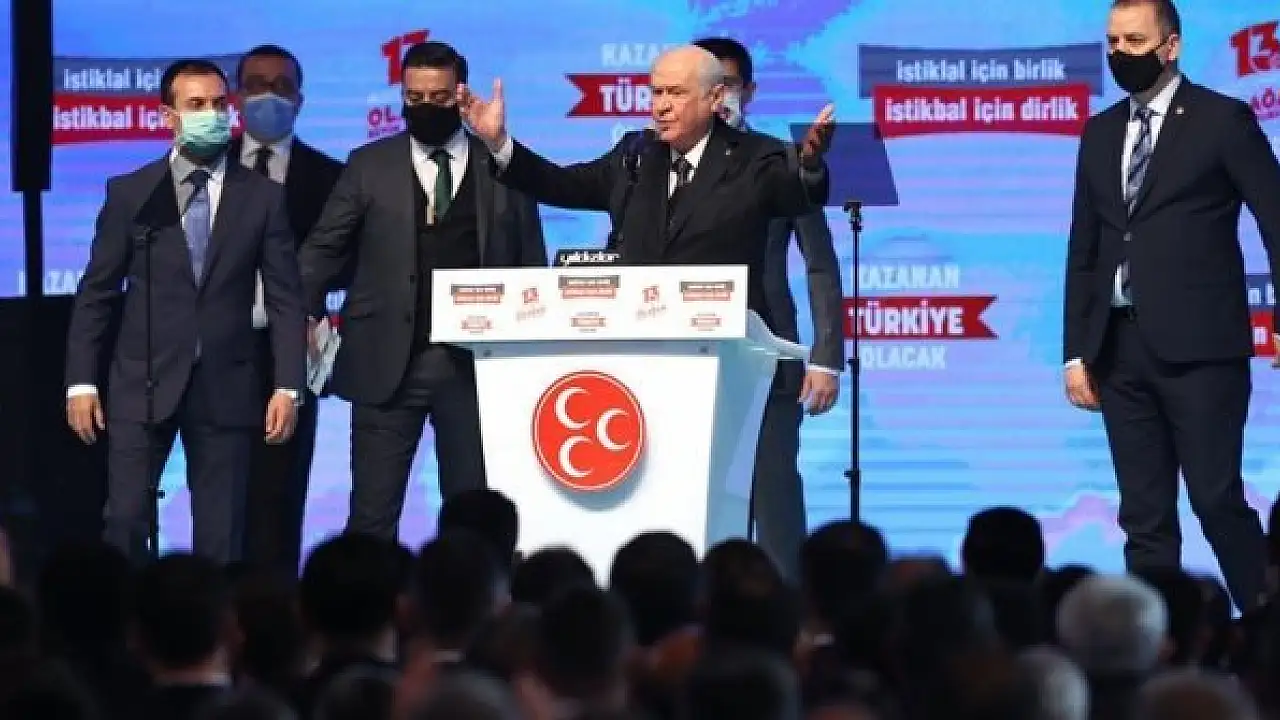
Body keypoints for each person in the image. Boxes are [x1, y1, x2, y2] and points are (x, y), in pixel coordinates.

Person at [1062, 0, 1280, 611]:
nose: (1120, 54)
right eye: (1112, 42)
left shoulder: (1222, 120)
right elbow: (1085, 247)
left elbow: (1275, 218)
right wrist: (1076, 352)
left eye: (1135, 41)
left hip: (1203, 351)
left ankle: (1265, 626)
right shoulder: (1100, 131)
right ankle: (1158, 644)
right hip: (1118, 349)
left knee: (1216, 500)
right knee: (1143, 515)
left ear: (1171, 46)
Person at [300, 41, 548, 540]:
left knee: (475, 517)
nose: (425, 107)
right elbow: (322, 250)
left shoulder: (502, 165)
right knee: (371, 518)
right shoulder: (369, 165)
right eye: (414, 98)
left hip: (475, 369)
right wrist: (306, 312)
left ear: (461, 95)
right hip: (384, 364)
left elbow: (530, 264)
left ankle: (476, 591)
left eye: (438, 97)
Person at [65, 58, 305, 565]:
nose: (211, 115)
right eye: (196, 105)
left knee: (221, 534)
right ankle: (128, 613)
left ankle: (209, 617)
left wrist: (288, 386)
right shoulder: (131, 193)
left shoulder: (261, 197)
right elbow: (97, 293)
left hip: (226, 382)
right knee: (126, 520)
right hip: (142, 381)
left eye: (218, 104)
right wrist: (80, 382)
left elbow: (286, 298)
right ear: (167, 117)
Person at [459, 44, 832, 325]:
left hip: (722, 342)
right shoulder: (635, 153)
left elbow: (795, 195)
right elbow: (561, 184)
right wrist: (499, 143)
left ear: (715, 98)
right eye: (657, 92)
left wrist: (810, 167)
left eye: (676, 93)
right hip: (638, 338)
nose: (661, 106)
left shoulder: (755, 156)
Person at [693, 36, 843, 576]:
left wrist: (826, 357)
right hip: (683, 362)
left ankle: (792, 609)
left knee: (775, 501)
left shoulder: (782, 161)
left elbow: (820, 263)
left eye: (728, 85)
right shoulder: (657, 165)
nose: (718, 98)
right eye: (706, 86)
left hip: (769, 359)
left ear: (749, 91)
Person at [231, 44, 344, 579]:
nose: (269, 96)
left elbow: (349, 263)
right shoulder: (201, 169)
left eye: (281, 86)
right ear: (237, 97)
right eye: (256, 84)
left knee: (281, 491)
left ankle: (277, 601)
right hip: (216, 355)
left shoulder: (331, 178)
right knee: (221, 490)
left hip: (294, 354)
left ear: (299, 99)